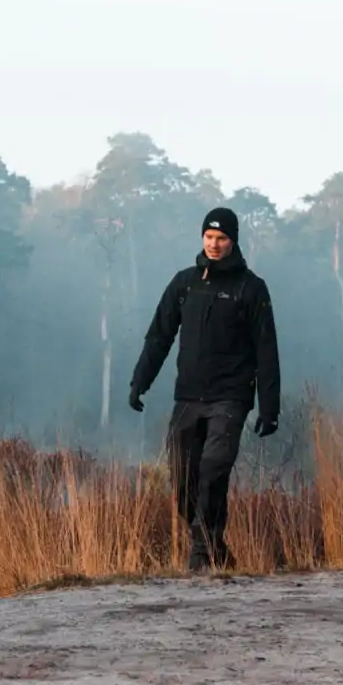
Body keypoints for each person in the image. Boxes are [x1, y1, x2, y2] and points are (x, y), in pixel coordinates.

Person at [127, 207, 281, 571]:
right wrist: (139, 381)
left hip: (231, 397)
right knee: (181, 479)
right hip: (188, 397)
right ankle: (216, 550)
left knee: (213, 468)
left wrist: (269, 407)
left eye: (222, 238)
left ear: (234, 241)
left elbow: (267, 350)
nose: (214, 244)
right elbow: (159, 336)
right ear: (202, 238)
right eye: (209, 237)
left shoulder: (251, 288)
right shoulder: (185, 283)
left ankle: (200, 553)